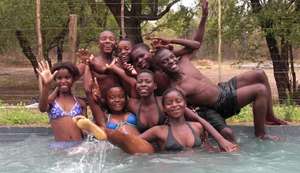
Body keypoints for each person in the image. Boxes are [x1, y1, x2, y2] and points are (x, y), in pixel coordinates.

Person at [152, 46, 281, 142]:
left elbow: (195, 44)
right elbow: (182, 109)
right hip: (221, 103)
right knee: (260, 90)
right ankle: (261, 133)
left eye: (171, 56)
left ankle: (269, 116)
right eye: (165, 61)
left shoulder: (183, 63)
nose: (170, 61)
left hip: (222, 88)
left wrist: (170, 44)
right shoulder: (177, 88)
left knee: (259, 73)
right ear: (161, 68)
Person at [140, 88, 239, 152]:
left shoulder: (198, 127)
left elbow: (207, 148)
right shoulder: (158, 131)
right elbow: (133, 141)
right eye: (169, 103)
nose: (174, 105)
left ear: (185, 104)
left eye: (178, 101)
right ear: (164, 108)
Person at [37, 61, 87, 141]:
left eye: (67, 77)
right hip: (59, 148)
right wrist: (46, 86)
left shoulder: (80, 103)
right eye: (59, 78)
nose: (63, 81)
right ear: (55, 79)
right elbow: (42, 108)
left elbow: (85, 130)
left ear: (73, 79)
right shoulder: (51, 102)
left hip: (78, 147)